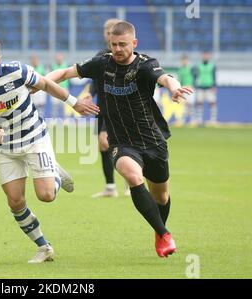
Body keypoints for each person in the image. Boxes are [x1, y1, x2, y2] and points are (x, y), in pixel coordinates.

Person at [45, 21, 193, 258]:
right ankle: (165, 235)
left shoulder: (145, 65)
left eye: (123, 45)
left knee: (161, 196)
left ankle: (158, 231)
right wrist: (40, 81)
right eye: (113, 44)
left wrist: (174, 88)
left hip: (152, 140)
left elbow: (166, 78)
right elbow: (64, 73)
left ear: (134, 43)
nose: (117, 49)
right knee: (133, 176)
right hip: (121, 141)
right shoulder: (102, 63)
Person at [0, 36, 99, 263]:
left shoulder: (17, 71)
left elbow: (45, 84)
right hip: (5, 148)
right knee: (15, 201)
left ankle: (53, 171)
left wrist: (74, 103)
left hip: (34, 138)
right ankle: (44, 247)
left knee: (46, 196)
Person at [89, 18, 131, 199]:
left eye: (111, 30)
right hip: (102, 108)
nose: (107, 34)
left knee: (123, 145)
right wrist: (90, 94)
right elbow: (94, 80)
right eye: (106, 31)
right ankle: (110, 186)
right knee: (103, 145)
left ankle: (130, 184)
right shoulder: (101, 56)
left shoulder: (125, 57)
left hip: (120, 109)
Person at [193, 52, 217, 125]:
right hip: (201, 86)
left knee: (212, 103)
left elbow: (214, 76)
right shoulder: (198, 66)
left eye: (207, 56)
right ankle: (199, 120)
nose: (205, 57)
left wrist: (214, 86)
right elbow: (196, 76)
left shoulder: (212, 66)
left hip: (209, 86)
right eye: (204, 56)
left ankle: (213, 120)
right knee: (199, 103)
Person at [177, 55, 196, 125]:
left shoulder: (191, 68)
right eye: (183, 60)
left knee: (191, 104)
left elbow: (195, 77)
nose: (184, 62)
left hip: (190, 87)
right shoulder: (180, 70)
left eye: (185, 60)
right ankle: (183, 120)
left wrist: (193, 85)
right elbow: (179, 80)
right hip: (183, 88)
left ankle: (192, 120)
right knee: (184, 104)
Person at [50, 52, 70, 119]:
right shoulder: (52, 66)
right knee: (54, 106)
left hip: (64, 88)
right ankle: (54, 120)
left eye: (60, 57)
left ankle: (66, 120)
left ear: (62, 58)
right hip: (54, 88)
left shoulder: (66, 65)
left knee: (65, 106)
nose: (59, 59)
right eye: (57, 57)